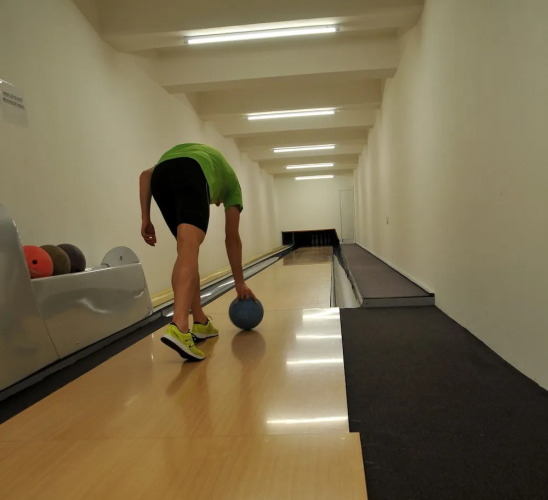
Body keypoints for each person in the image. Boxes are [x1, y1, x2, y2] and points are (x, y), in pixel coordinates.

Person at [139, 143, 256, 361]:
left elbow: (145, 175)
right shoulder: (232, 186)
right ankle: (179, 326)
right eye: (217, 203)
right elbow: (232, 239)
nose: (216, 204)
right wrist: (240, 283)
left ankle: (200, 322)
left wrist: (145, 218)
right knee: (190, 247)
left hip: (161, 178)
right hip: (192, 172)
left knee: (186, 250)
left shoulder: (201, 158)